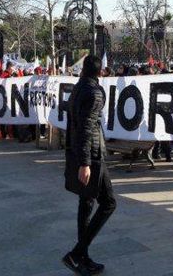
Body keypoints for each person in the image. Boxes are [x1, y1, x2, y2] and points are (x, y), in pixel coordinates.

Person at [63, 55, 116, 276]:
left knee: (86, 203)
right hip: (91, 155)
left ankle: (81, 256)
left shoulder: (78, 88)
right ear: (101, 71)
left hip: (80, 152)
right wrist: (85, 163)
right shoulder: (94, 92)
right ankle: (77, 253)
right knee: (108, 203)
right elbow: (86, 127)